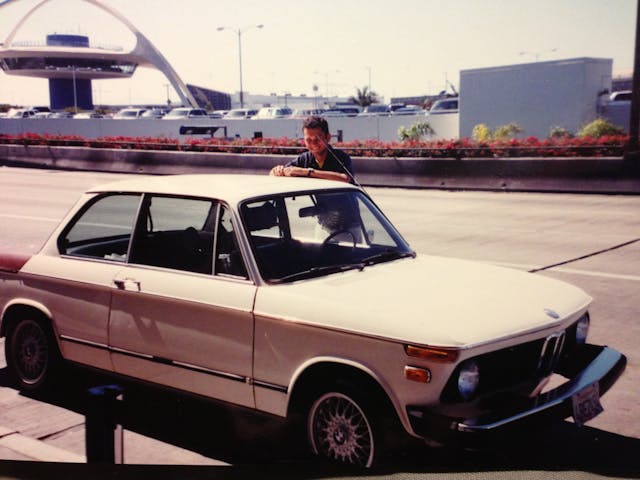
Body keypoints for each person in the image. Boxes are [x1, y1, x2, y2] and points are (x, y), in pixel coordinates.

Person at [269, 116, 354, 183]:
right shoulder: (304, 159)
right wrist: (278, 171)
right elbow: (274, 174)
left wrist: (308, 172)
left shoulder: (341, 157)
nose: (313, 143)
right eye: (308, 140)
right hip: (320, 205)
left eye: (317, 139)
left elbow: (345, 178)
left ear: (328, 138)